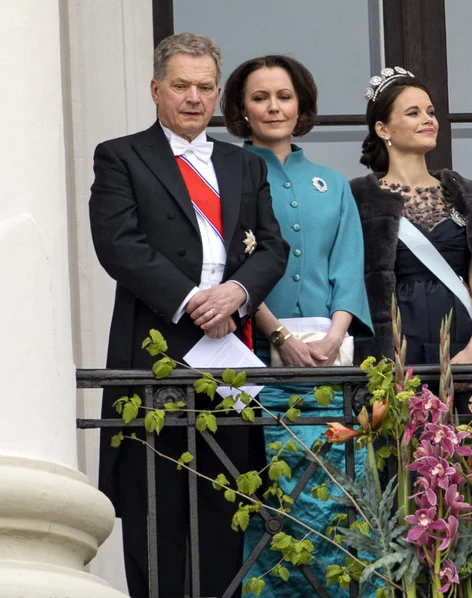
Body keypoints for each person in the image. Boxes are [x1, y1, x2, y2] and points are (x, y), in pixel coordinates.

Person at [89, 34, 289, 598]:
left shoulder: (243, 163)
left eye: (205, 87)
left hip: (229, 362)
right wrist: (194, 302)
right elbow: (119, 245)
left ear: (219, 93)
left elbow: (272, 247)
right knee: (157, 526)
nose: (193, 98)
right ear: (156, 90)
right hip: (154, 362)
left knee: (227, 515)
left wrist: (236, 294)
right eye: (181, 85)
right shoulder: (121, 155)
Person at [220, 55, 373, 596]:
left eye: (283, 96)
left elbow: (348, 266)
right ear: (241, 108)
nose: (273, 107)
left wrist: (334, 335)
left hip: (332, 357)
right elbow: (235, 269)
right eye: (259, 98)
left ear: (301, 105)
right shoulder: (227, 176)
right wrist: (277, 334)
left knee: (340, 491)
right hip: (257, 353)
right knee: (279, 501)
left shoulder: (333, 183)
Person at [351, 68, 472, 370]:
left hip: (465, 339)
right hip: (395, 347)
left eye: (431, 112)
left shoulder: (466, 193)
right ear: (383, 129)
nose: (428, 120)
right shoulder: (359, 197)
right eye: (413, 113)